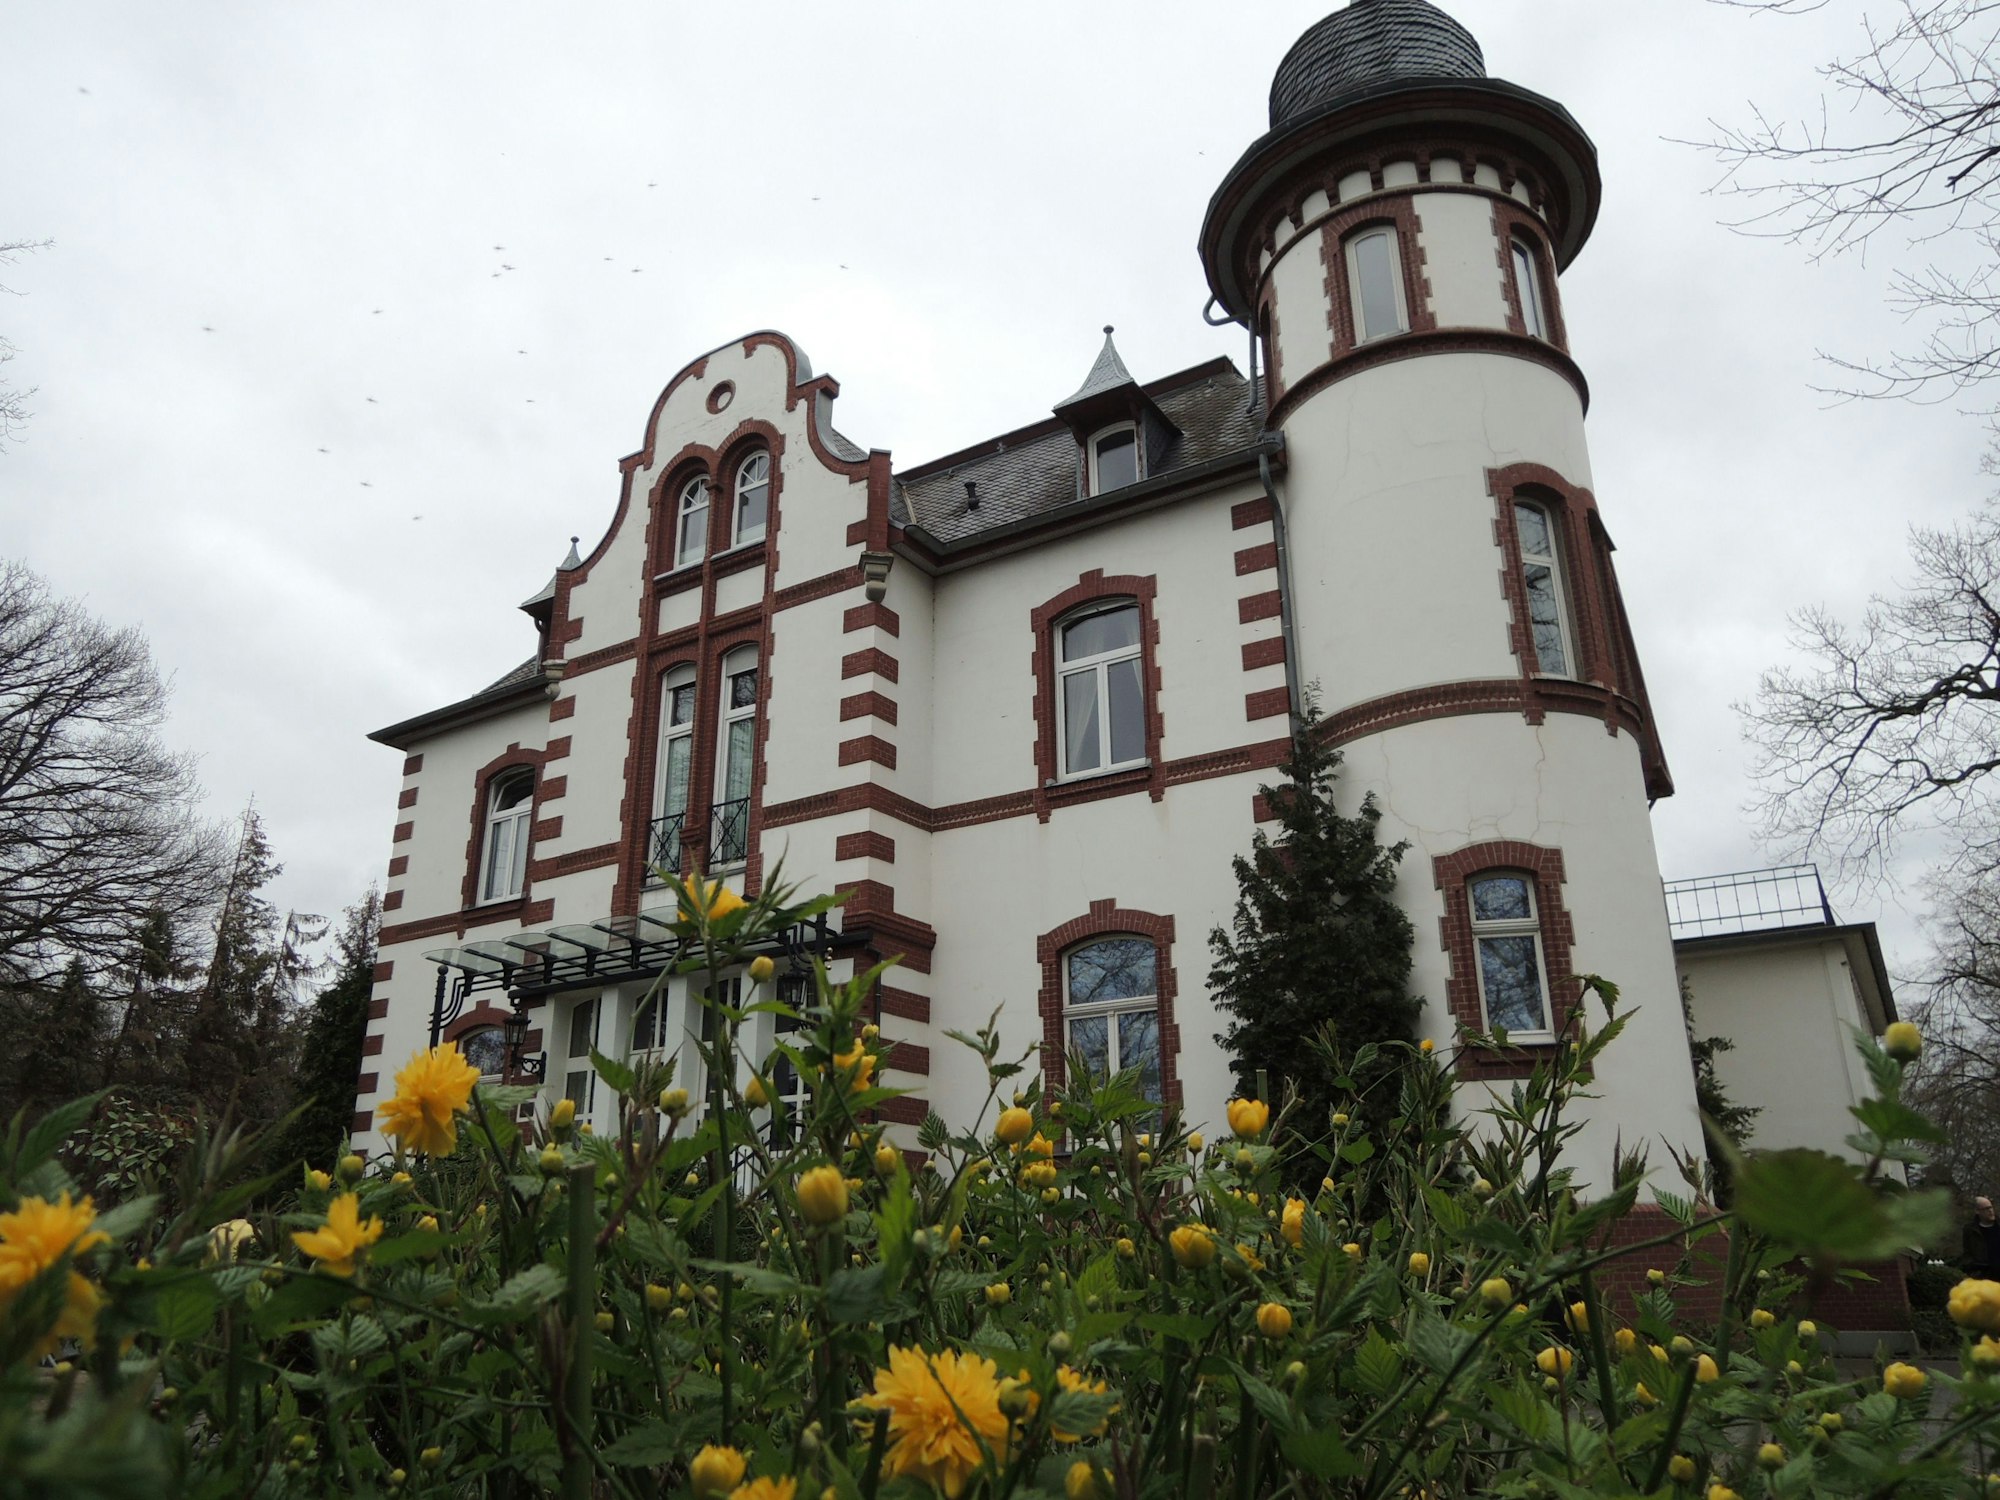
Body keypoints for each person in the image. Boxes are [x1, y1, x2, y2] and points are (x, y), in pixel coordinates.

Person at [1963, 1196, 2000, 1274]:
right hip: (1982, 1275)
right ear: (1977, 1211)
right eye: (1986, 1209)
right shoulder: (1970, 1230)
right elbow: (1967, 1253)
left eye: (1991, 1207)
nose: (1990, 1211)